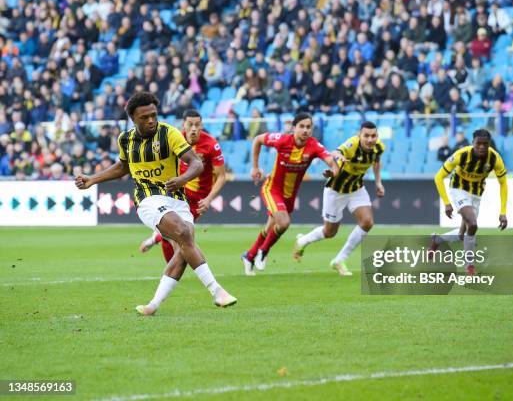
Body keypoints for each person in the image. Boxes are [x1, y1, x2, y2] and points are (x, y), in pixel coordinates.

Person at [75, 92, 236, 315]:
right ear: (133, 118)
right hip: (148, 198)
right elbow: (123, 167)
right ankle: (217, 291)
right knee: (183, 233)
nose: (151, 120)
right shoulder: (126, 139)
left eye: (154, 115)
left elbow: (196, 164)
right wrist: (93, 179)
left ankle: (153, 305)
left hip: (178, 199)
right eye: (145, 117)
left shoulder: (168, 133)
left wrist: (182, 179)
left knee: (183, 249)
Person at [241, 112, 339, 275]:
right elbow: (258, 139)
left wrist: (333, 172)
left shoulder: (314, 145)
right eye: (301, 126)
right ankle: (263, 251)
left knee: (270, 227)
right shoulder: (282, 140)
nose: (305, 130)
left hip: (290, 196)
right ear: (294, 128)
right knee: (284, 223)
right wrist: (255, 167)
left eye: (308, 127)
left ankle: (249, 255)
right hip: (272, 189)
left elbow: (332, 162)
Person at [293, 121, 385, 276]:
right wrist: (339, 157)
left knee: (367, 222)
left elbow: (376, 162)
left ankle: (339, 259)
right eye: (366, 136)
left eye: (373, 136)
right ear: (359, 135)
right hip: (336, 190)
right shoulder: (351, 145)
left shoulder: (378, 147)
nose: (370, 139)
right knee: (329, 232)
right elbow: (335, 153)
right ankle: (303, 241)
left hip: (356, 188)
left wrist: (378, 182)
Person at [139, 109, 227, 263]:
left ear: (201, 126)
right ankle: (170, 268)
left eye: (197, 125)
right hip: (177, 193)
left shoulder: (211, 145)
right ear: (184, 125)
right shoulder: (175, 139)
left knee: (179, 234)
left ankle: (157, 239)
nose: (193, 128)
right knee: (172, 233)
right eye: (190, 124)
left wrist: (208, 199)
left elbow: (221, 176)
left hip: (197, 199)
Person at [429, 129, 508, 275]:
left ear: (489, 144)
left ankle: (437, 239)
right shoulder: (462, 155)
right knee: (472, 224)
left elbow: (503, 183)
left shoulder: (495, 159)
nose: (482, 147)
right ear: (473, 143)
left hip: (476, 194)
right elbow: (438, 177)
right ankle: (469, 265)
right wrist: (447, 202)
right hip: (458, 189)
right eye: (479, 144)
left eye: (485, 144)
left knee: (462, 234)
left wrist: (503, 212)